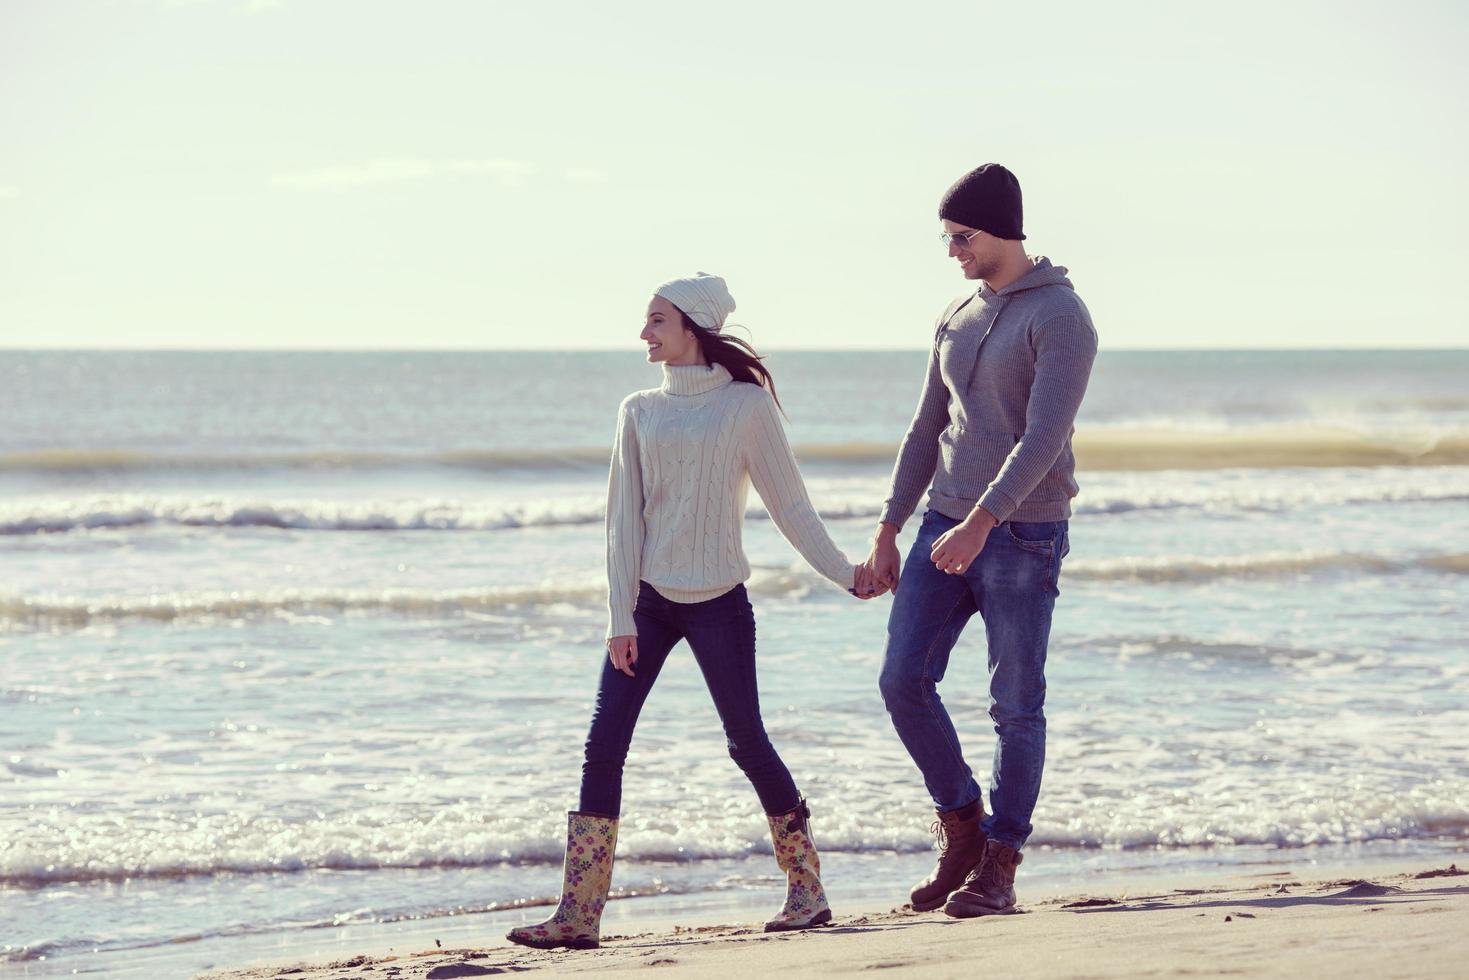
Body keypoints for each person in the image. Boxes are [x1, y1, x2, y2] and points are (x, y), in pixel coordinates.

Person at [508, 272, 883, 950]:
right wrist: (619, 616)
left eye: (656, 320)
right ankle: (578, 914)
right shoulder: (639, 410)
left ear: (692, 325)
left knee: (747, 743)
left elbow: (789, 504)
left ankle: (806, 890)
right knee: (603, 745)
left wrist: (846, 575)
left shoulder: (745, 406)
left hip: (718, 603)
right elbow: (622, 520)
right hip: (649, 605)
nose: (644, 333)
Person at [864, 164, 1097, 918]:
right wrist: (889, 527)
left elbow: (1043, 437)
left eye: (961, 236)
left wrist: (983, 521)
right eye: (946, 236)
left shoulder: (1060, 317)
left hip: (1023, 532)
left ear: (1001, 230)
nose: (952, 249)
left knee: (1015, 704)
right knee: (902, 680)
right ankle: (961, 827)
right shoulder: (957, 313)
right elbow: (926, 426)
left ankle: (999, 864)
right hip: (943, 523)